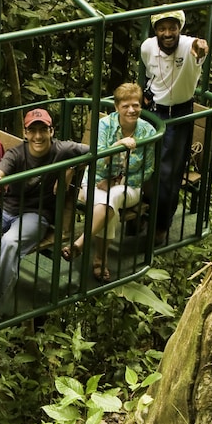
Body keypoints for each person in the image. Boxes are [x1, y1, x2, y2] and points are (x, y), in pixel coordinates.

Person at [0, 108, 88, 324]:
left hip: (36, 214)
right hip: (6, 208)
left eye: (43, 130)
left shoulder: (63, 149)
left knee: (10, 243)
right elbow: (1, 170)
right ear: (26, 134)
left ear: (51, 131)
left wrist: (73, 167)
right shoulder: (17, 154)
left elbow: (95, 150)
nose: (38, 136)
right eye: (33, 130)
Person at [61, 83, 155, 281]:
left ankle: (80, 244)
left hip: (129, 187)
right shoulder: (105, 126)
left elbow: (147, 170)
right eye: (126, 106)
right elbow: (97, 160)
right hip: (96, 182)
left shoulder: (148, 131)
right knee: (108, 203)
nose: (132, 110)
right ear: (116, 107)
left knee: (114, 195)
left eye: (136, 105)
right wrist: (118, 146)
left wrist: (119, 180)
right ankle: (99, 261)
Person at [140, 9, 209, 245]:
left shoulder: (189, 46)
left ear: (180, 28)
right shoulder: (148, 47)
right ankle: (141, 215)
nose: (167, 34)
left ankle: (161, 225)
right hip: (154, 111)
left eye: (172, 28)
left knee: (169, 173)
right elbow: (151, 76)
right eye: (162, 28)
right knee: (145, 165)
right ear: (156, 30)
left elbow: (199, 50)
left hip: (178, 115)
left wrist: (201, 49)